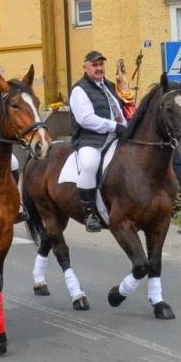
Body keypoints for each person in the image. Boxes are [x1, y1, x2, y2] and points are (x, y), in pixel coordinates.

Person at [68, 49, 127, 232]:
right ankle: (89, 215)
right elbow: (85, 119)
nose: (99, 68)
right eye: (95, 65)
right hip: (90, 139)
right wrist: (114, 126)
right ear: (85, 67)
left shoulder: (109, 86)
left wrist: (127, 126)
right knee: (89, 164)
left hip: (115, 136)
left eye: (101, 64)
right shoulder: (79, 90)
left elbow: (118, 111)